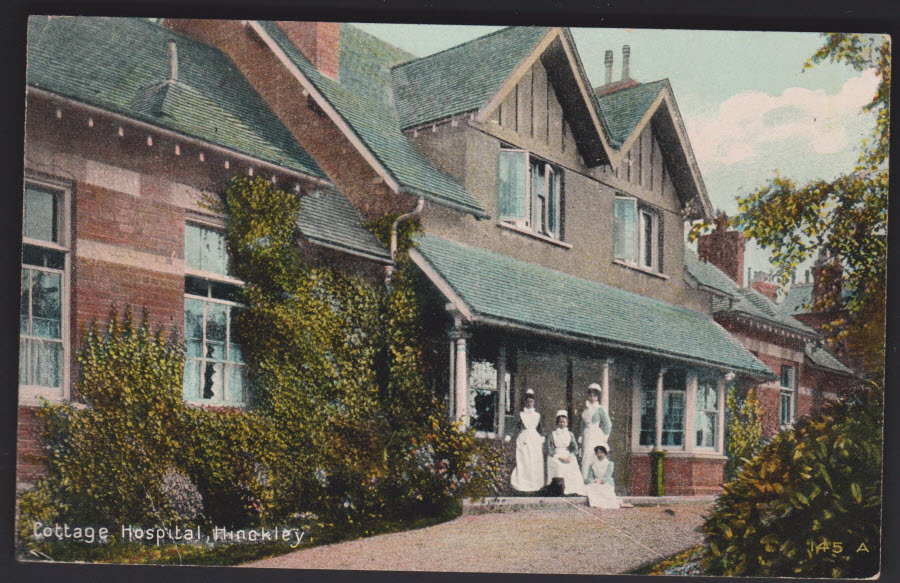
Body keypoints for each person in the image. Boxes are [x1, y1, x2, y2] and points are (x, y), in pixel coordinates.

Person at [509, 389, 545, 492]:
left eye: (531, 401)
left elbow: (541, 428)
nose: (529, 403)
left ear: (534, 402)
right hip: (524, 438)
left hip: (535, 438)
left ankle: (535, 484)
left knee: (534, 461)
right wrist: (509, 436)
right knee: (524, 460)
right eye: (527, 401)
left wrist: (542, 436)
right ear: (525, 402)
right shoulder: (521, 414)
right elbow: (515, 427)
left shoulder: (537, 415)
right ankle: (524, 483)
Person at [545, 410, 586, 496]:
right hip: (556, 455)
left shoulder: (570, 434)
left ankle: (573, 490)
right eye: (560, 422)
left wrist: (570, 456)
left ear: (567, 423)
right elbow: (549, 449)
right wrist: (559, 457)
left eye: (564, 422)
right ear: (557, 423)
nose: (562, 424)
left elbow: (575, 448)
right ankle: (559, 490)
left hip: (567, 455)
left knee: (572, 465)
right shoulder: (552, 434)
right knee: (559, 466)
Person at [580, 383, 612, 480]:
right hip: (586, 434)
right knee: (586, 457)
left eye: (594, 395)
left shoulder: (600, 409)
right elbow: (582, 424)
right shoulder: (585, 409)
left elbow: (608, 424)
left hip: (595, 435)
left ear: (598, 397)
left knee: (594, 455)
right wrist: (581, 436)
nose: (592, 398)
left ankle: (595, 480)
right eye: (590, 395)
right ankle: (585, 479)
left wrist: (604, 438)